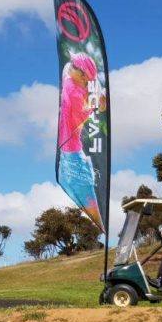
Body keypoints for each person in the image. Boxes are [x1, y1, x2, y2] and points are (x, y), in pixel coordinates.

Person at [57, 52, 106, 231]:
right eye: (71, 63)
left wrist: (97, 97)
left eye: (74, 65)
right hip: (71, 151)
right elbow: (93, 109)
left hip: (71, 150)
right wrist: (99, 100)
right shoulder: (71, 85)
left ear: (84, 75)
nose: (70, 66)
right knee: (87, 195)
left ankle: (102, 227)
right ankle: (102, 227)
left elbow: (88, 110)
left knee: (87, 195)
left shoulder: (71, 85)